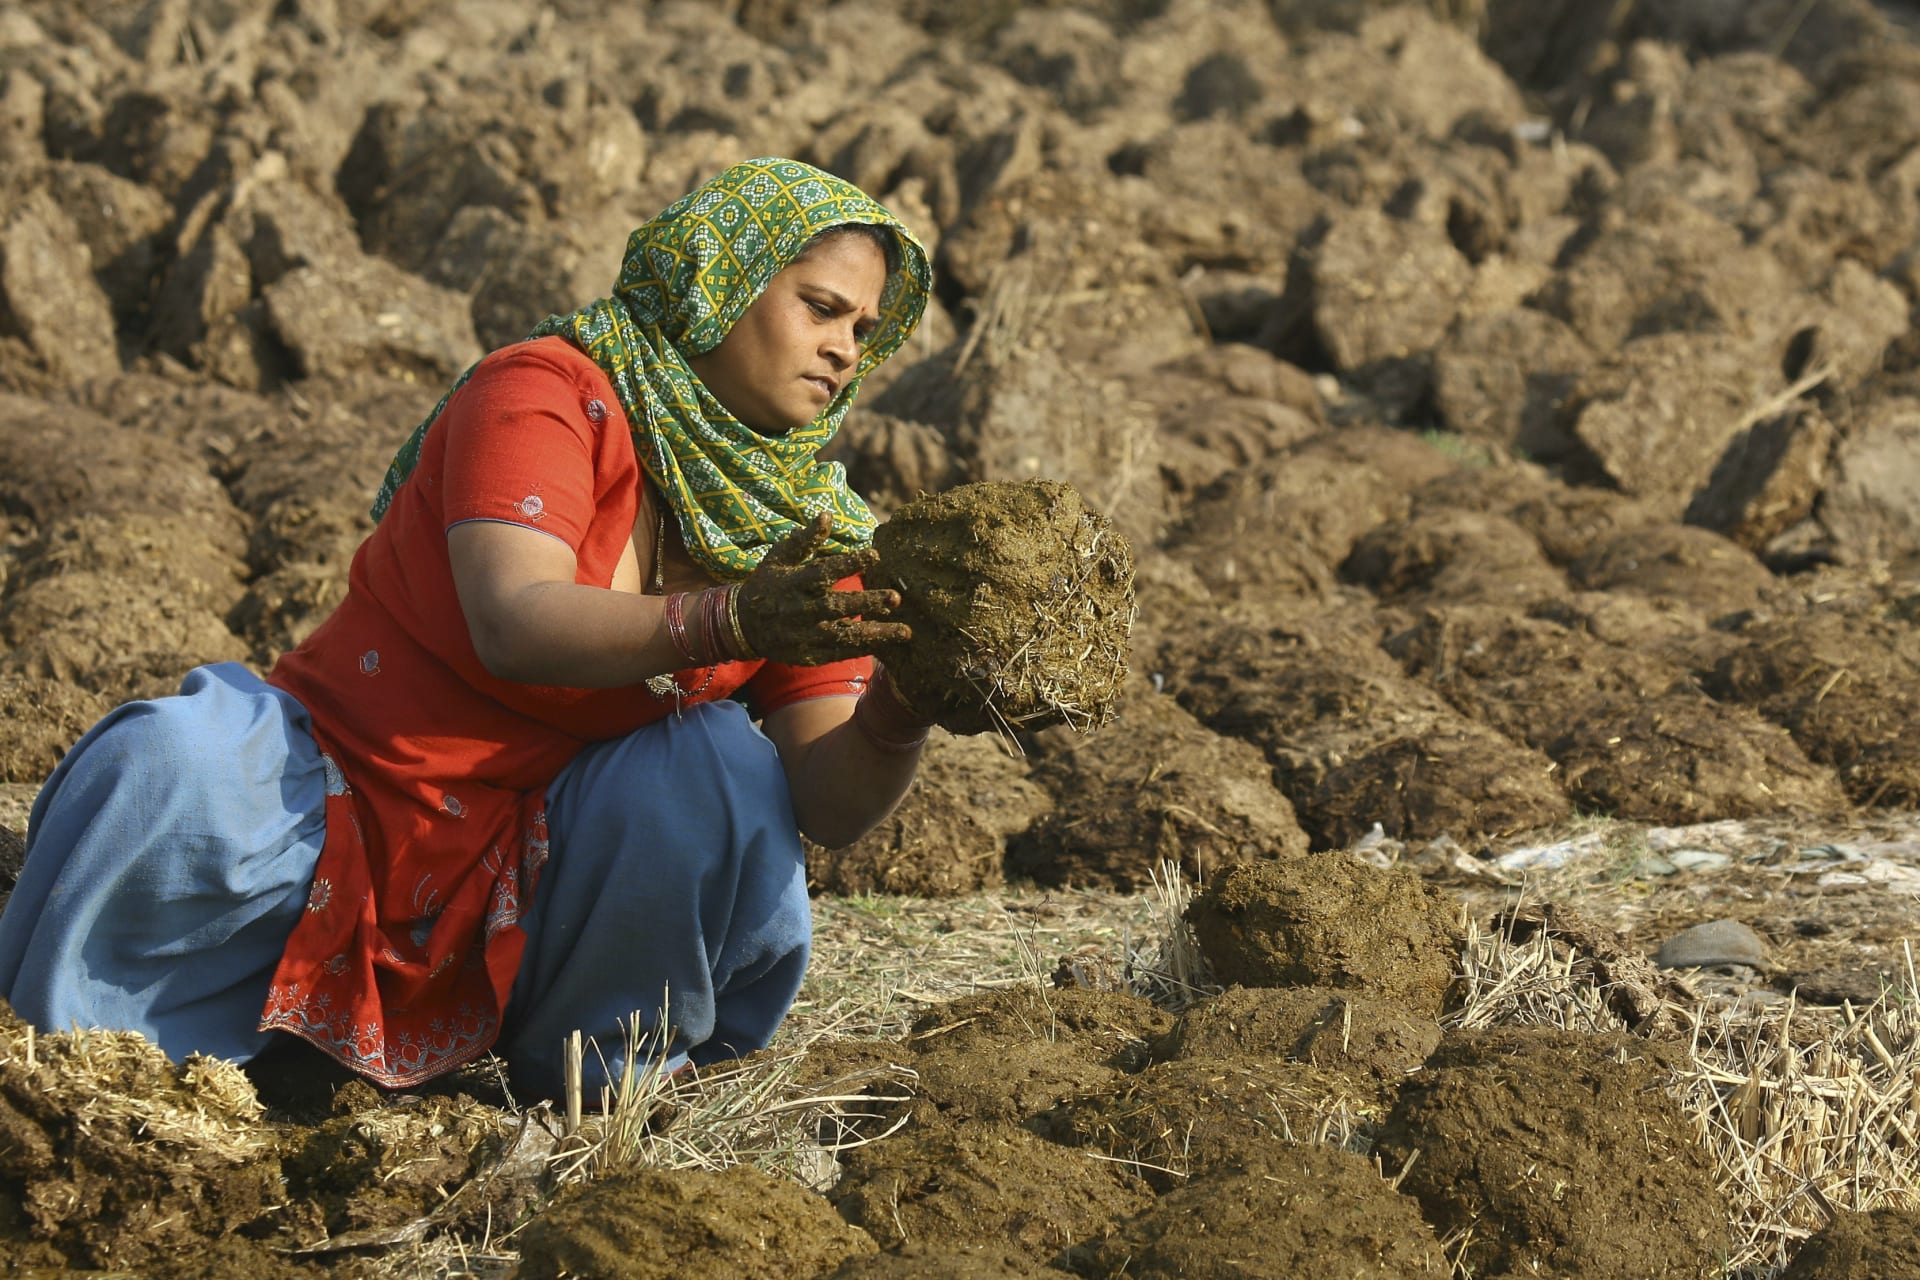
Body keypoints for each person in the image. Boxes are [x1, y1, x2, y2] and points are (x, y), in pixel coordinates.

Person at [0, 157, 940, 1099]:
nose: (846, 351)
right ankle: (73, 1077)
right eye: (819, 308)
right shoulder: (549, 391)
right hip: (345, 785)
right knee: (169, 767)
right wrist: (731, 616)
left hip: (547, 874)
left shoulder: (815, 530)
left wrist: (906, 705)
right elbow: (515, 619)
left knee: (721, 772)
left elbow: (826, 803)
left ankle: (594, 1081)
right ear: (715, 280)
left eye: (864, 328)